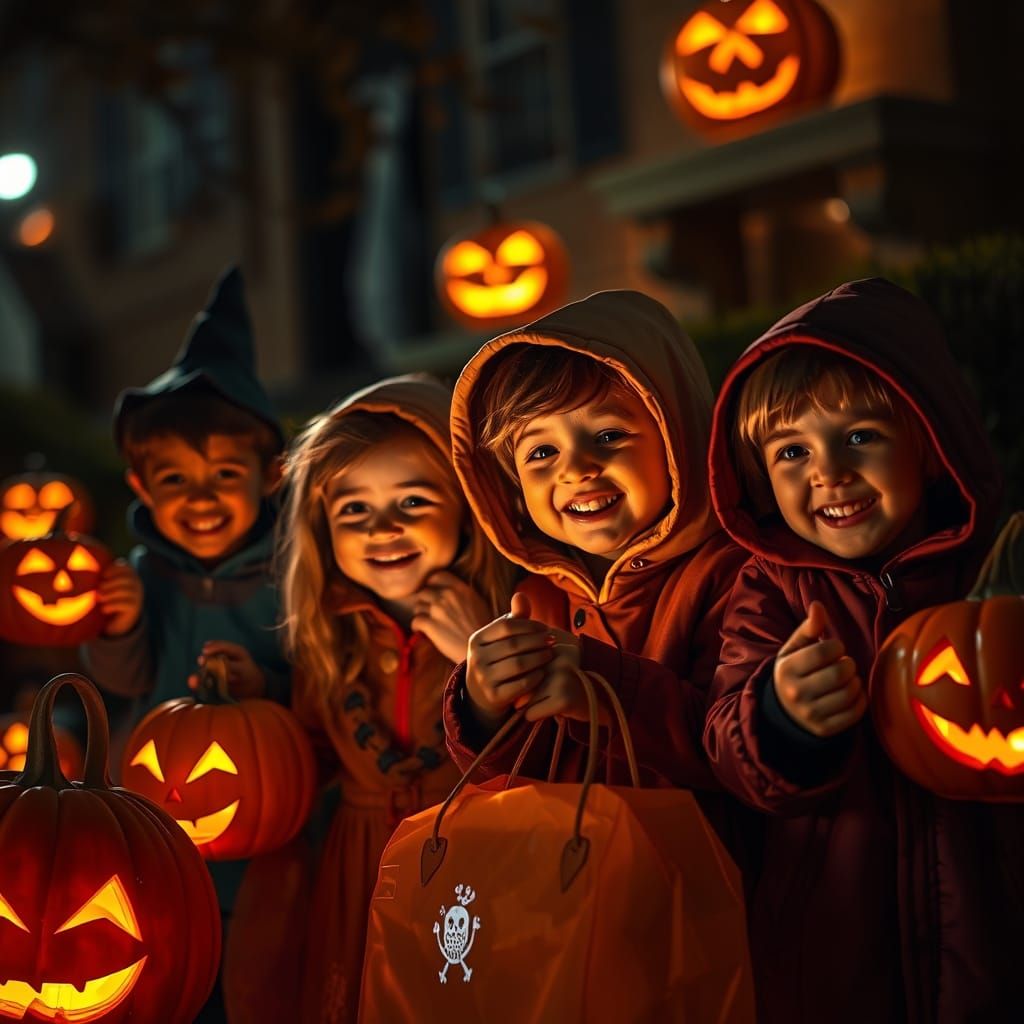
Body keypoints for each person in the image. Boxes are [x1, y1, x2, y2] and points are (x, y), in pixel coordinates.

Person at [703, 277, 1023, 1022]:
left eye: (859, 437)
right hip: (833, 958)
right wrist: (779, 720)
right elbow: (724, 739)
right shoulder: (773, 593)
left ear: (932, 442)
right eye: (790, 450)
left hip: (995, 933)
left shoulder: (996, 574)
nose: (828, 472)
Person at [82, 266, 288, 1023]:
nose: (200, 500)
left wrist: (262, 685)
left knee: (261, 983)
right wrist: (119, 625)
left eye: (224, 475)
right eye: (175, 480)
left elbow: (317, 683)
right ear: (142, 488)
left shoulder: (289, 574)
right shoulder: (141, 575)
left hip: (271, 838)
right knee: (173, 982)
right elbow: (118, 685)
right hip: (158, 836)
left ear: (270, 477)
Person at [443, 289, 747, 795]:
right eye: (541, 451)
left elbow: (741, 753)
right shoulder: (536, 599)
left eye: (608, 436)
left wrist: (605, 693)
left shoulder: (735, 574)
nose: (577, 469)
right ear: (511, 484)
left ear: (679, 434)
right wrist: (482, 707)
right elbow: (526, 779)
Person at [279, 374, 515, 1024]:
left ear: (468, 508)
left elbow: (542, 754)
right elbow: (305, 760)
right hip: (360, 867)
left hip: (469, 867)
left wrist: (480, 653)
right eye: (353, 510)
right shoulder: (328, 634)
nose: (382, 528)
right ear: (322, 530)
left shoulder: (509, 616)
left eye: (413, 502)